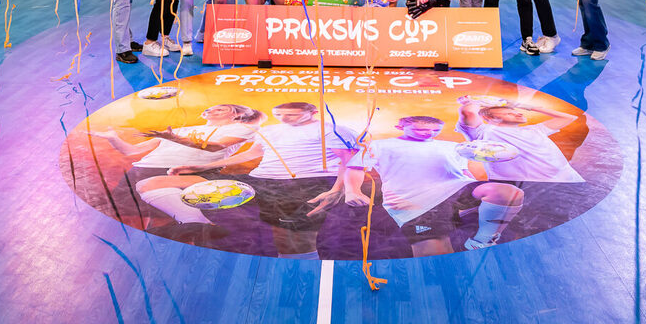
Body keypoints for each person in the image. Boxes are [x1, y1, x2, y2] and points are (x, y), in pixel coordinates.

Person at [177, 102, 360, 259]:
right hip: (261, 180)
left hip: (305, 183)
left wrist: (339, 189)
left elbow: (350, 159)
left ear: (313, 112)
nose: (284, 118)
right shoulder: (270, 130)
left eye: (292, 115)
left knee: (299, 241)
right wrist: (202, 167)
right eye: (279, 114)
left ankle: (304, 275)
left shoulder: (333, 130)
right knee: (280, 237)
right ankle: (191, 221)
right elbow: (253, 153)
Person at [338, 116, 525, 255]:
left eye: (435, 130)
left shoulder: (452, 146)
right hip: (416, 202)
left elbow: (463, 172)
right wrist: (352, 191)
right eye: (420, 130)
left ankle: (481, 241)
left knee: (509, 193)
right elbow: (355, 167)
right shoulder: (380, 145)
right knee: (437, 257)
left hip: (455, 188)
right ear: (400, 127)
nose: (428, 133)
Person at [93, 104, 263, 240]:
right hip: (142, 169)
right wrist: (112, 138)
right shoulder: (181, 129)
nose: (212, 110)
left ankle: (201, 225)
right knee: (139, 214)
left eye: (221, 109)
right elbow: (130, 151)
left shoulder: (242, 128)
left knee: (169, 211)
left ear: (237, 114)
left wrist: (175, 138)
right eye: (211, 108)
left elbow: (216, 146)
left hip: (186, 171)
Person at [455, 97, 591, 233]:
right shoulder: (484, 131)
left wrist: (526, 106)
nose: (518, 113)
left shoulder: (536, 129)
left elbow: (568, 118)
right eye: (509, 113)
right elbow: (469, 112)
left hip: (566, 181)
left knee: (566, 228)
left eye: (517, 111)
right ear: (490, 118)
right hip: (522, 184)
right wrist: (476, 101)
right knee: (527, 229)